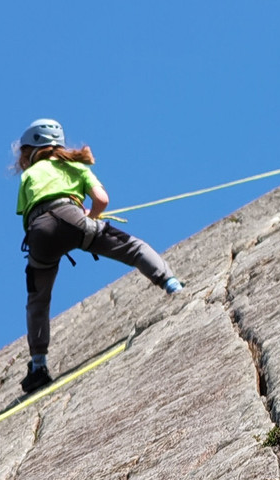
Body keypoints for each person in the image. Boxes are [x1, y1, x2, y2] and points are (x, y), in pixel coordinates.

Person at [14, 118, 183, 393]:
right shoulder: (76, 165)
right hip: (73, 219)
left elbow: (33, 212)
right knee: (132, 248)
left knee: (37, 300)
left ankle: (38, 365)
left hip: (39, 233)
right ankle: (172, 285)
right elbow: (102, 200)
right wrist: (90, 218)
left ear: (33, 149)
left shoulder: (29, 176)